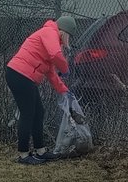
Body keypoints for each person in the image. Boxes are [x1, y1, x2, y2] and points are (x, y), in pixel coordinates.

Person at [6, 14, 77, 164]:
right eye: (69, 36)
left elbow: (51, 72)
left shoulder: (50, 38)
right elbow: (56, 55)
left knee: (38, 112)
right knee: (28, 114)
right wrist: (65, 68)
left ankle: (41, 151)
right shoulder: (49, 32)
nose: (68, 41)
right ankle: (23, 155)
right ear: (64, 32)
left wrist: (64, 90)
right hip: (19, 74)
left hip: (23, 76)